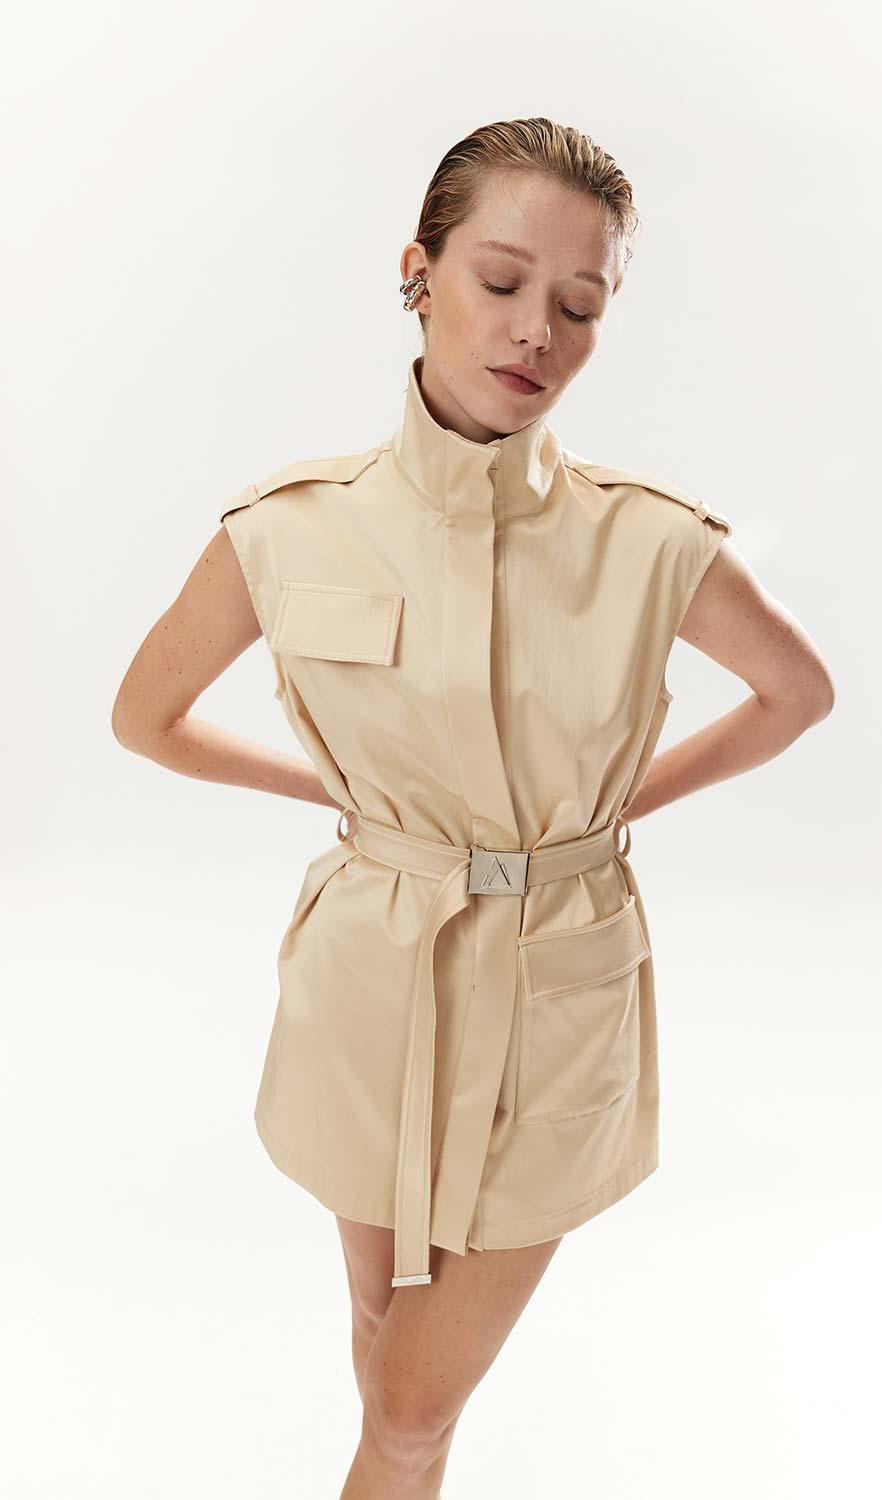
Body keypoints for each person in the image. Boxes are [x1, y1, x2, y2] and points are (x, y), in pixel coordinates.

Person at [111, 116, 835, 1499]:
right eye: (501, 282)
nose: (536, 332)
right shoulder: (285, 530)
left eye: (581, 305)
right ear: (418, 273)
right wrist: (345, 798)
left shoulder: (651, 541)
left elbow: (797, 694)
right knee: (384, 1354)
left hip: (557, 989)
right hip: (370, 977)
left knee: (406, 1402)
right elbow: (145, 719)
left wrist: (601, 818)